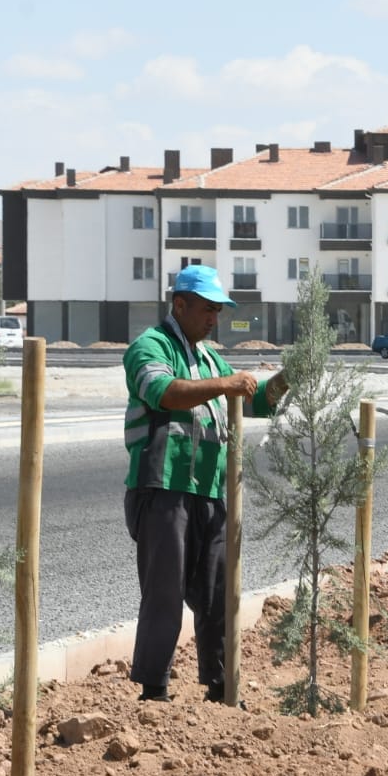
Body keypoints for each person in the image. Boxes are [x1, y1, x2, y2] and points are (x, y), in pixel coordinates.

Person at [123, 264, 289, 703]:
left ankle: (219, 685)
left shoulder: (211, 358)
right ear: (180, 304)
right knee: (165, 592)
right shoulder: (150, 346)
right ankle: (154, 690)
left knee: (218, 592)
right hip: (162, 489)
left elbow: (252, 399)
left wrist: (285, 381)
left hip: (210, 492)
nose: (214, 318)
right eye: (207, 309)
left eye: (218, 310)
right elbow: (164, 392)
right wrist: (224, 384)